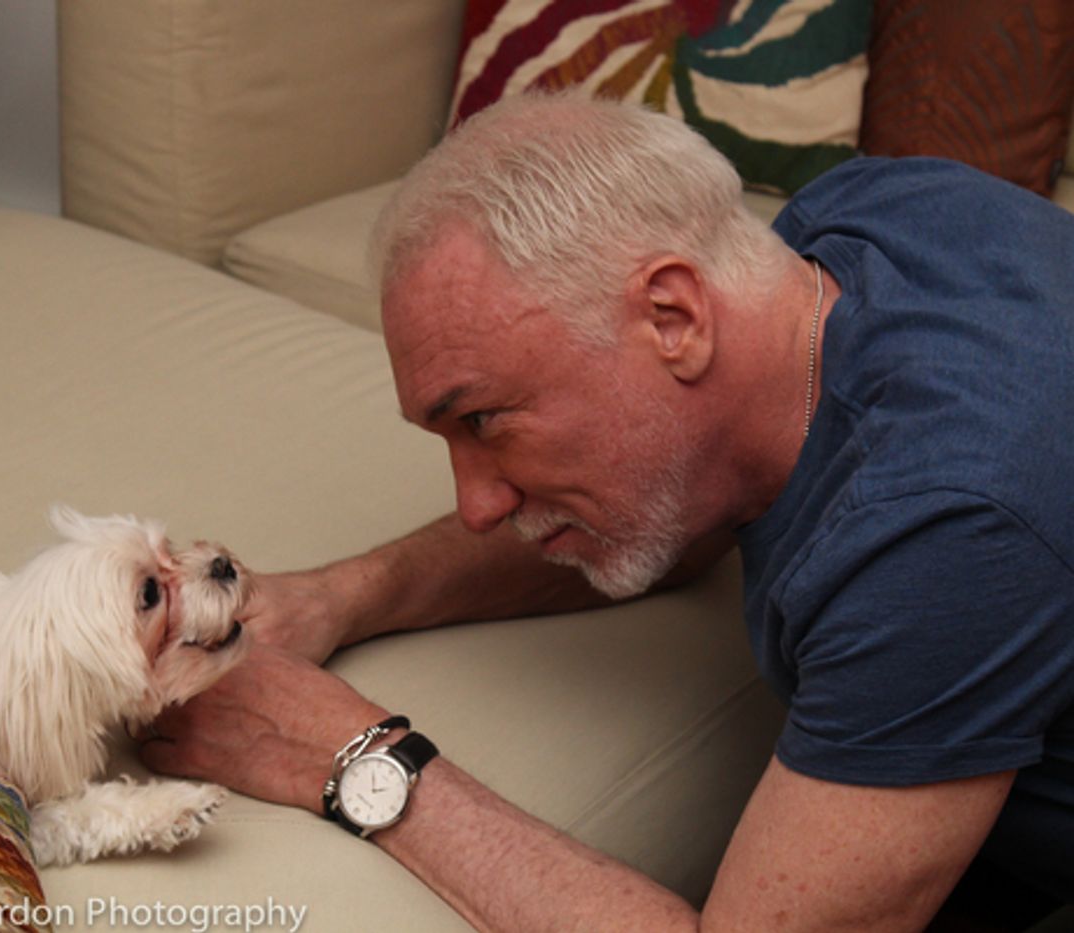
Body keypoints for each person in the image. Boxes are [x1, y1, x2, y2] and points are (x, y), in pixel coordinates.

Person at [139, 94, 1074, 931]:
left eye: (485, 418)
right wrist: (343, 595)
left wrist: (350, 756)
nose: (474, 505)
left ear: (674, 315)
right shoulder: (865, 222)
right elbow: (683, 514)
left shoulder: (942, 528)